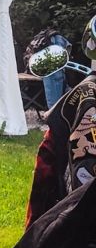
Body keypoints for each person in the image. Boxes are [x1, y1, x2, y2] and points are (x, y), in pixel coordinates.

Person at [25, 15, 96, 227]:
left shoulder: (75, 102)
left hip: (78, 232)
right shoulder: (78, 101)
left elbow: (44, 177)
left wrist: (34, 232)